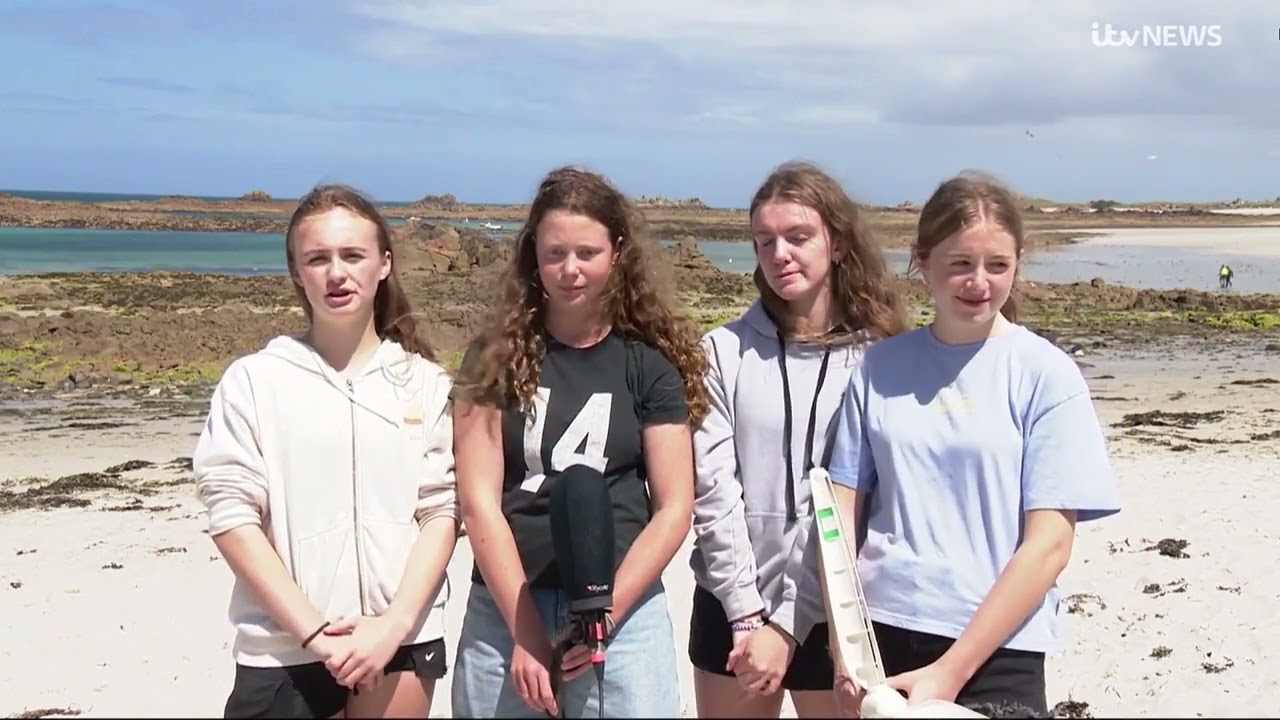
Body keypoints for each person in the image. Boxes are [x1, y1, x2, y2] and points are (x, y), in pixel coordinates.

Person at [826, 171, 1122, 716]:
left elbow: (1050, 545)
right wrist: (843, 647)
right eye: (960, 263)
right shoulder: (879, 368)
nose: (978, 282)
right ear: (921, 261)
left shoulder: (1046, 374)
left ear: (1019, 263)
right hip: (883, 633)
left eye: (997, 265)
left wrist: (951, 672)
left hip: (1000, 647)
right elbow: (839, 515)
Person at [449, 166, 710, 718]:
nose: (570, 270)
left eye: (587, 253)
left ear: (617, 253)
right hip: (508, 604)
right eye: (555, 253)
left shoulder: (648, 363)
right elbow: (479, 503)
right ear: (533, 255)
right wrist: (525, 632)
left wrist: (604, 616)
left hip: (622, 609)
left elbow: (674, 507)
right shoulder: (491, 360)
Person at [192, 184, 460, 718]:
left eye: (353, 255)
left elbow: (440, 509)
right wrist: (315, 634)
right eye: (318, 259)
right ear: (296, 272)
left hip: (399, 640)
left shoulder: (426, 384)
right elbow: (232, 516)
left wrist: (392, 626)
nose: (336, 273)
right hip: (283, 647)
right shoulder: (255, 381)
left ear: (384, 264)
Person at [688, 161, 909, 718]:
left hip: (838, 606)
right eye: (765, 241)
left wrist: (789, 624)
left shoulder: (881, 357)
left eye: (798, 236)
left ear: (837, 242)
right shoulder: (721, 351)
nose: (780, 254)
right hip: (729, 603)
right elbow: (713, 492)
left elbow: (859, 500)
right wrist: (744, 613)